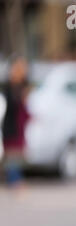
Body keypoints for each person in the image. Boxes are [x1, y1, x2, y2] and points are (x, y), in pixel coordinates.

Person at [1, 56, 30, 190]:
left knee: (17, 155)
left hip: (18, 127)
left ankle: (16, 179)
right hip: (10, 126)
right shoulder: (9, 88)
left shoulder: (22, 87)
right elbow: (12, 105)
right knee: (12, 154)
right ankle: (13, 181)